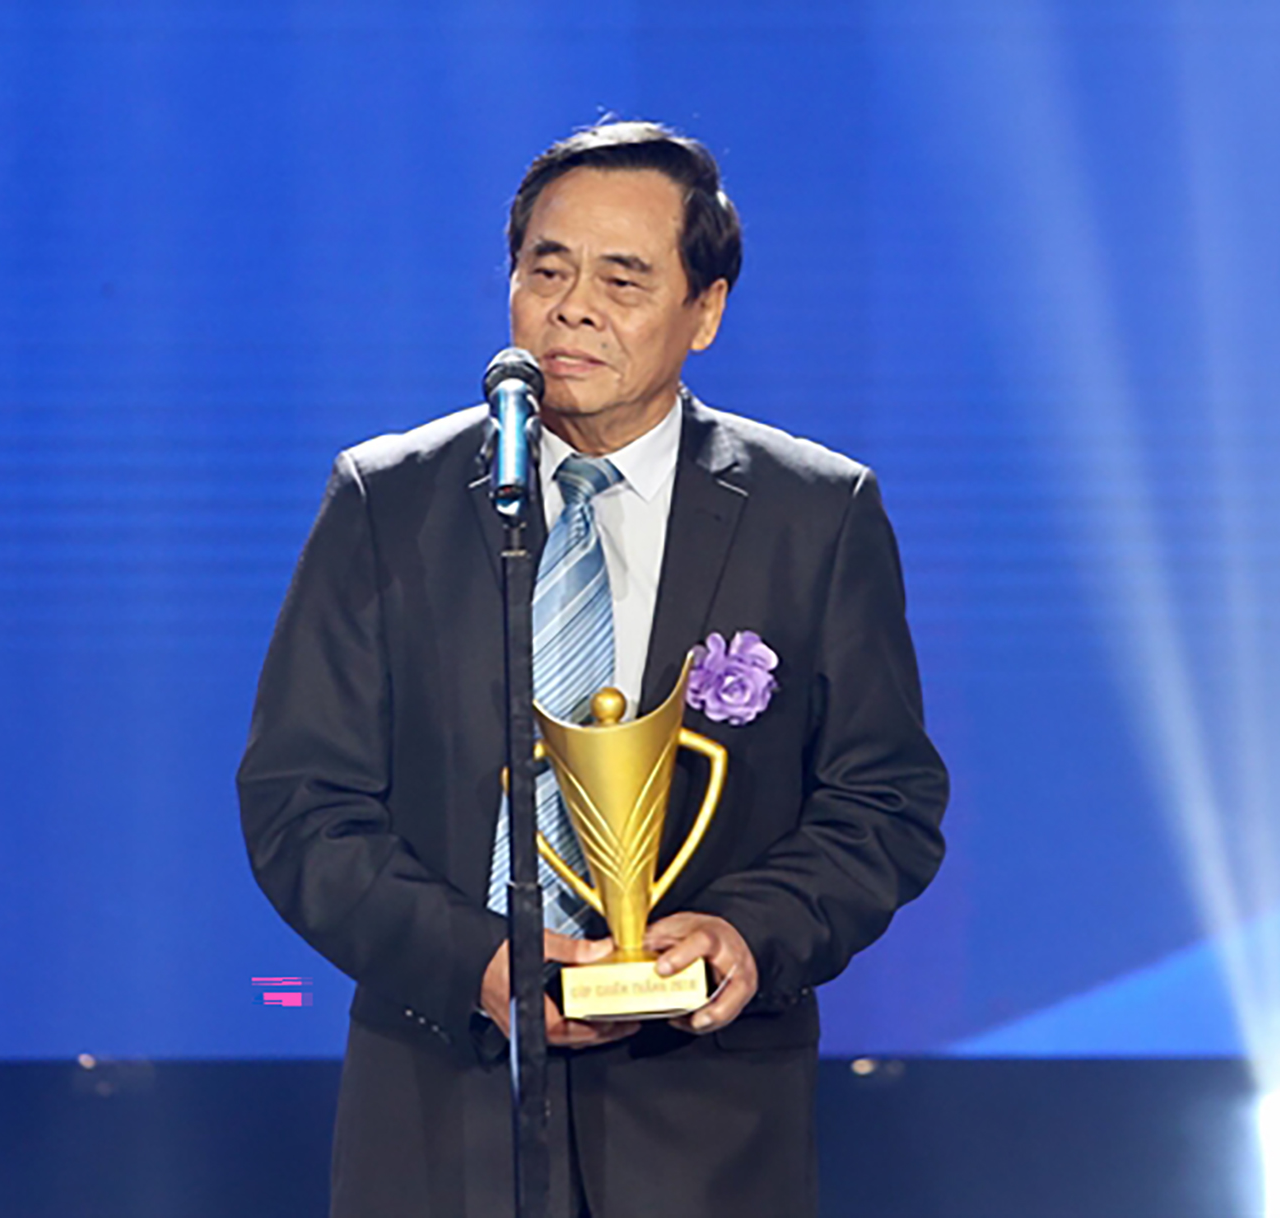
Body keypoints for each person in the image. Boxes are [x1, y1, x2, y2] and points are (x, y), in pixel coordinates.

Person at [238, 120, 948, 1218]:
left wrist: (746, 933)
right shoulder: (389, 501)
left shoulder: (814, 514)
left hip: (704, 1121)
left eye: (623, 279)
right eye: (546, 270)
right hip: (439, 1107)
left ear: (705, 309)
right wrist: (477, 962)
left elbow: (884, 803)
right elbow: (301, 804)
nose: (572, 308)